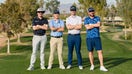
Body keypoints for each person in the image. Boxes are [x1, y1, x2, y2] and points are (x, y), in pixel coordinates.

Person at [84, 7, 108, 71]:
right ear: (88, 12)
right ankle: (92, 65)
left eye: (92, 11)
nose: (92, 12)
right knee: (90, 52)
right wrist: (94, 25)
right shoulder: (86, 19)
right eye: (90, 11)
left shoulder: (97, 18)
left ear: (94, 11)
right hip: (89, 38)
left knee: (100, 52)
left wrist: (91, 25)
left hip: (97, 37)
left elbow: (98, 25)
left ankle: (102, 66)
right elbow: (87, 28)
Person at [66, 6, 83, 70]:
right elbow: (68, 28)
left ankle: (80, 64)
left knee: (78, 51)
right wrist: (76, 25)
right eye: (72, 10)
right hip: (70, 36)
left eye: (74, 10)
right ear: (70, 11)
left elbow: (80, 27)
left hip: (77, 36)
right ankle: (69, 64)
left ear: (75, 11)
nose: (73, 11)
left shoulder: (79, 18)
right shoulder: (68, 18)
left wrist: (72, 26)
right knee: (70, 51)